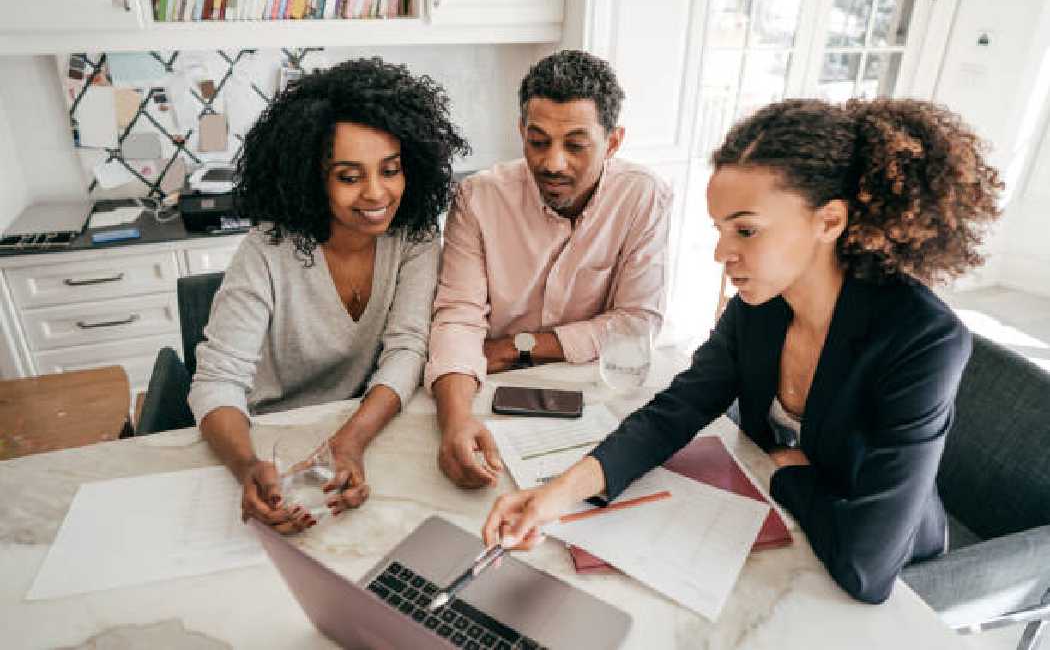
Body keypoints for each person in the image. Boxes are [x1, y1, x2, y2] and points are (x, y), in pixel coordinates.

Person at [482, 98, 1004, 604]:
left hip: (883, 569)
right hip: (783, 532)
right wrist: (557, 494)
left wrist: (787, 475)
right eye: (720, 229)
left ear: (829, 222)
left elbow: (867, 567)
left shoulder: (920, 339)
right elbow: (675, 411)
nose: (720, 253)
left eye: (746, 230)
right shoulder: (761, 305)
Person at [188, 57, 469, 534]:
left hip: (364, 425)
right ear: (312, 177)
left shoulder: (416, 235)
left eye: (390, 170)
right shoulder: (267, 249)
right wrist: (245, 466)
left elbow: (408, 348)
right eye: (349, 176)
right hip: (268, 434)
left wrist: (352, 440)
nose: (377, 194)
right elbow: (216, 382)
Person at [425, 49, 673, 489]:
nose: (553, 163)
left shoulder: (642, 197)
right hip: (485, 389)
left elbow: (637, 323)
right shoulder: (478, 198)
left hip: (594, 395)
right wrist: (456, 422)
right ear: (521, 131)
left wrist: (517, 346)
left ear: (612, 143)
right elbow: (457, 318)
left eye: (575, 145)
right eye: (538, 141)